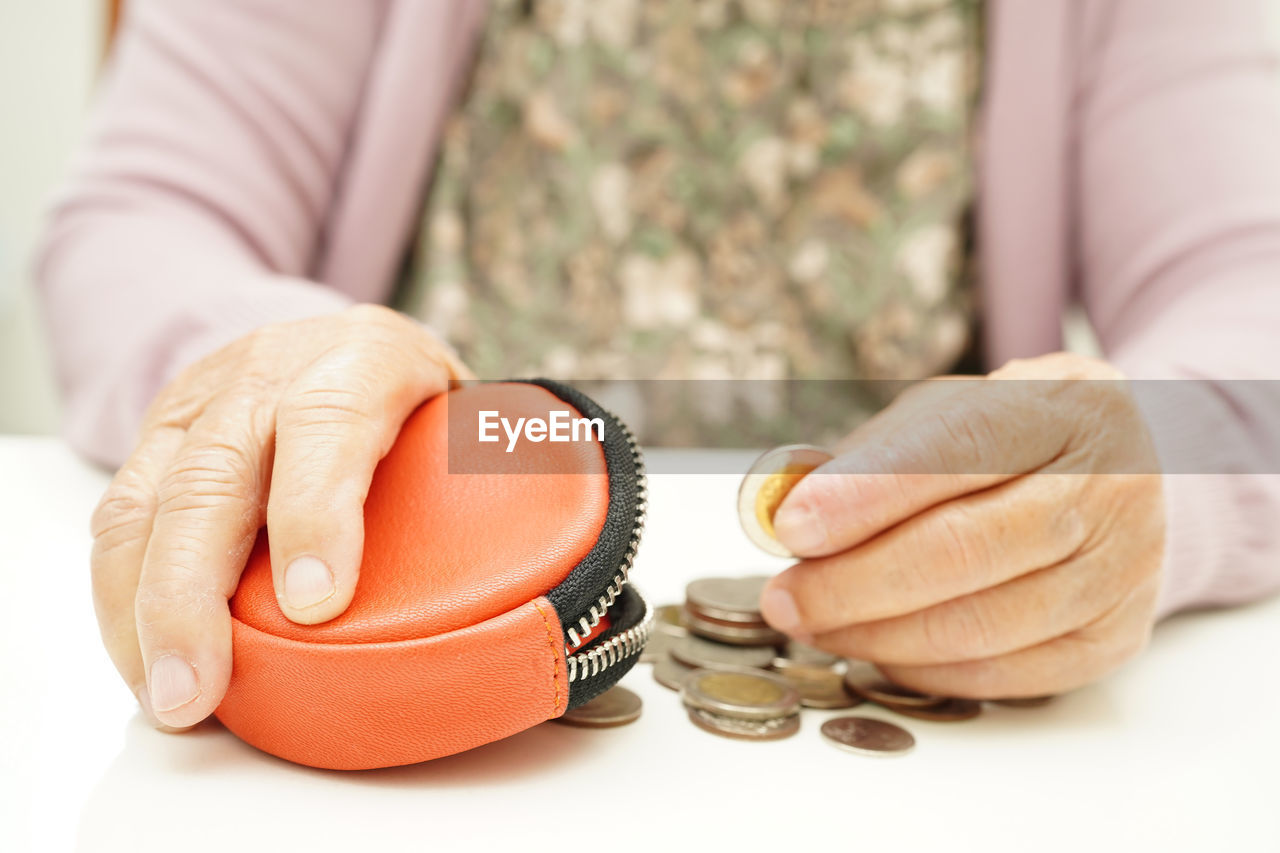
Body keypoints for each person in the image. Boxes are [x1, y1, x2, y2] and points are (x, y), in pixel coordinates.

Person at [36, 0, 1280, 732]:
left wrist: (1155, 474)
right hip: (417, 599)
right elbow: (141, 221)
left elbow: (1250, 297)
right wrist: (270, 365)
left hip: (896, 666)